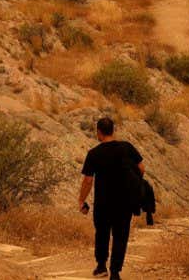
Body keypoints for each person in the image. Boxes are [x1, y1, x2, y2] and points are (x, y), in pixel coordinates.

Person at [77, 116, 145, 280]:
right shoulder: (127, 148)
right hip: (124, 202)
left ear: (99, 132)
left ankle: (101, 266)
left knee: (102, 233)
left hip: (103, 203)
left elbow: (88, 180)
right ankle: (115, 272)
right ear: (113, 130)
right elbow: (141, 168)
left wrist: (81, 200)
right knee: (121, 236)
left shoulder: (94, 153)